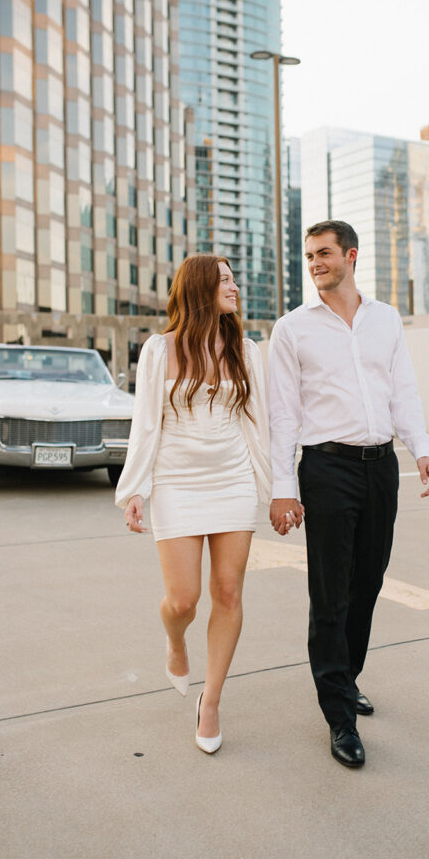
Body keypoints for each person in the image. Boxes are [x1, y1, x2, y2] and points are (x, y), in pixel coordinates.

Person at [268, 220, 429, 769]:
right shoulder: (292, 329)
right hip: (326, 468)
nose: (315, 263)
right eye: (310, 255)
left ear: (351, 255)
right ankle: (339, 714)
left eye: (324, 253)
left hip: (380, 466)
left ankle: (346, 676)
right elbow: (283, 416)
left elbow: (403, 388)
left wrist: (422, 449)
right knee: (330, 593)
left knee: (368, 582)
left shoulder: (385, 319)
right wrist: (282, 488)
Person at [116, 254, 272, 754]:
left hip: (232, 481)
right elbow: (145, 425)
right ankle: (176, 641)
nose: (234, 286)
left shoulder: (245, 351)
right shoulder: (159, 351)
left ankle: (211, 701)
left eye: (233, 278)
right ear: (200, 288)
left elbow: (258, 425)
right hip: (176, 484)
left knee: (228, 593)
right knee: (183, 599)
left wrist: (275, 491)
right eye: (224, 280)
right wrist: (134, 489)